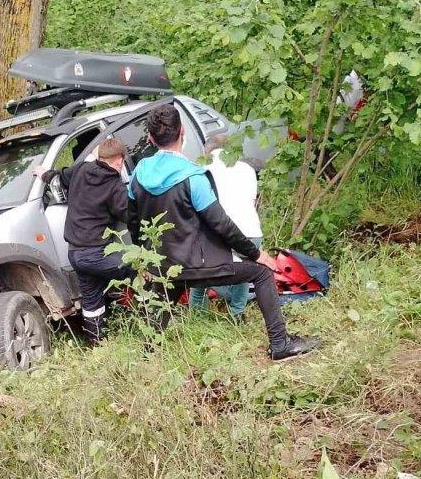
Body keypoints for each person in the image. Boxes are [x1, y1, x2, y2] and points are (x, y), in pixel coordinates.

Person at [128, 105, 321, 362]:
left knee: (169, 288)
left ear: (150, 138)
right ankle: (280, 344)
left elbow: (132, 221)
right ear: (182, 132)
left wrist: (143, 259)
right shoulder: (193, 176)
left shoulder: (138, 176)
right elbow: (220, 224)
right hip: (199, 264)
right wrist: (256, 253)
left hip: (165, 266)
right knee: (262, 272)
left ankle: (148, 353)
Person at [33, 138, 132, 344]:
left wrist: (43, 173)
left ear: (99, 157)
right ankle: (149, 323)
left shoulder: (81, 170)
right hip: (98, 254)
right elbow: (130, 215)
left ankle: (97, 342)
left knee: (92, 297)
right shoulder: (114, 186)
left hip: (76, 254)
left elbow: (58, 177)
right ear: (120, 161)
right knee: (139, 270)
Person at [189, 135, 263, 321]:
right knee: (244, 273)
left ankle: (198, 320)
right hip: (251, 234)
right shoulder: (247, 169)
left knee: (199, 279)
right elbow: (252, 204)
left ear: (206, 152)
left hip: (219, 235)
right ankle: (237, 313)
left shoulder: (200, 171)